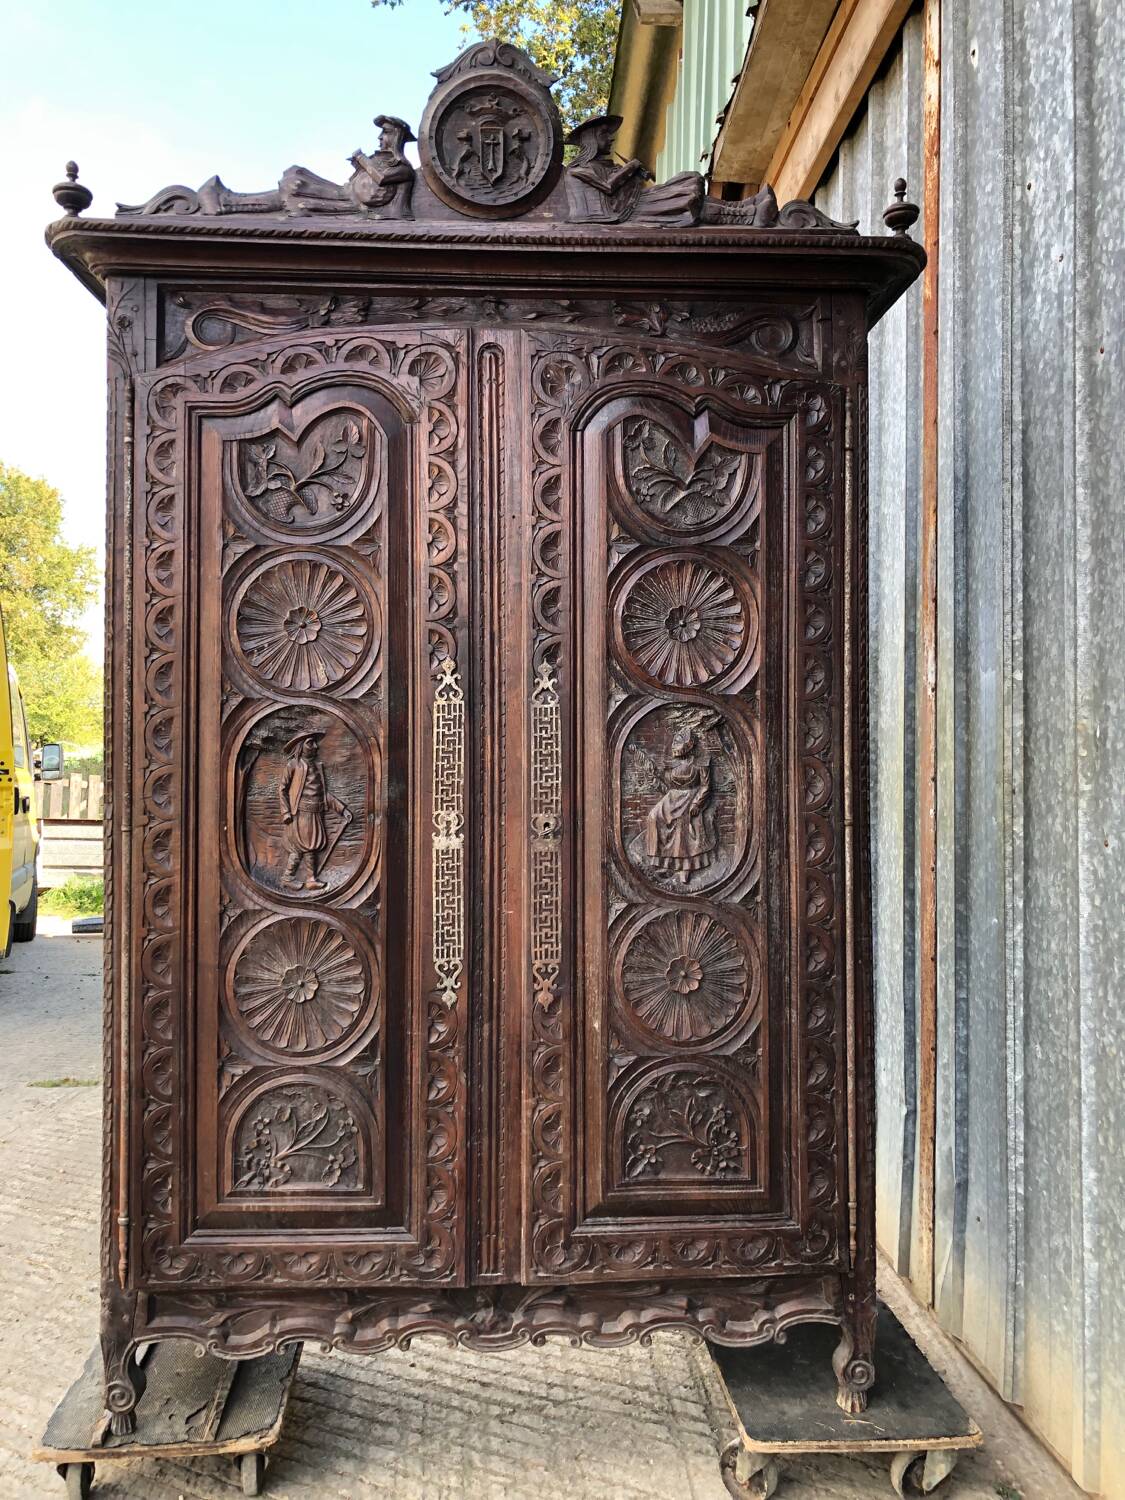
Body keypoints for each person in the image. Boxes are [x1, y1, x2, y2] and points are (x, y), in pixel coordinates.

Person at [564, 115, 705, 226]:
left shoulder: (607, 166)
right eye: (604, 134)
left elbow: (626, 187)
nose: (610, 138)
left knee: (690, 180)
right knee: (686, 195)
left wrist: (635, 175)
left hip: (636, 202)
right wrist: (631, 166)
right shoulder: (577, 170)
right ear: (591, 139)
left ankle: (726, 209)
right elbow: (608, 186)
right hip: (624, 213)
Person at [279, 731, 352, 892]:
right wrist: (286, 812)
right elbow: (282, 789)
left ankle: (307, 879)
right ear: (300, 746)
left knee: (310, 846)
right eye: (310, 743)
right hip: (301, 814)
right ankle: (290, 877)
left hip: (316, 813)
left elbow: (323, 794)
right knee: (303, 846)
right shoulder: (293, 765)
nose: (316, 746)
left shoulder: (317, 766)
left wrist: (342, 809)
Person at [644, 727, 717, 884]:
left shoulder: (701, 763)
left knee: (683, 824)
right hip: (672, 796)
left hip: (690, 796)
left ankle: (685, 867)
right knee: (653, 817)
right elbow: (666, 784)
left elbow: (706, 786)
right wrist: (653, 775)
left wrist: (698, 803)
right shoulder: (671, 764)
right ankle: (665, 862)